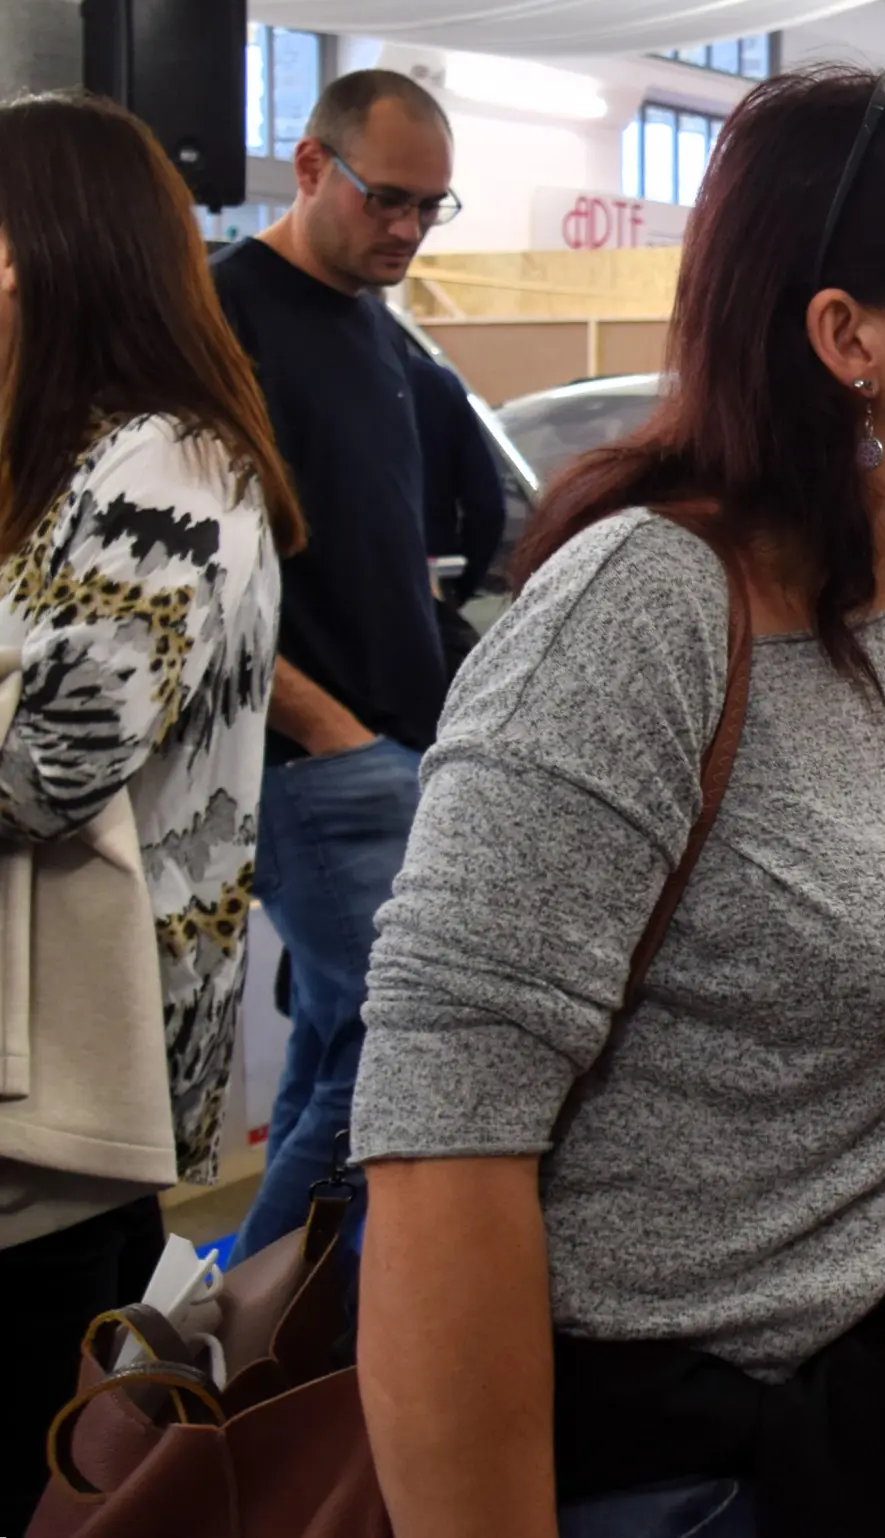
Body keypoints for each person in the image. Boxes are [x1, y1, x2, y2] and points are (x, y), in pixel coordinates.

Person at [352, 65, 885, 1538]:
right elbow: (442, 1148)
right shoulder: (643, 611)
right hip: (651, 1477)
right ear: (847, 337)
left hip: (857, 1443)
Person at [0, 92, 300, 1532]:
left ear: (35, 250)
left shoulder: (170, 464)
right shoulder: (50, 460)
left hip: (69, 1080)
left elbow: (51, 760)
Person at [210, 68, 457, 1252]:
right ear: (311, 167)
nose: (405, 230)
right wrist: (327, 730)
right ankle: (230, 1361)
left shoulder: (372, 324)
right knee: (387, 1072)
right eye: (386, 199)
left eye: (429, 208)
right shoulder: (224, 318)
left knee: (335, 1058)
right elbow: (204, 585)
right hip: (320, 763)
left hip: (390, 747)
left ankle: (248, 1351)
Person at [406, 340, 506, 672]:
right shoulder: (434, 384)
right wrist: (458, 584)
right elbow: (487, 507)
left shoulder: (304, 378)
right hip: (431, 582)